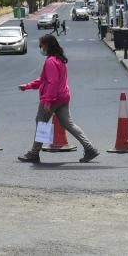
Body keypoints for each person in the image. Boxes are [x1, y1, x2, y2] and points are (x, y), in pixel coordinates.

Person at [17, 34, 99, 164]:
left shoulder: (50, 61)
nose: (40, 48)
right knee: (69, 124)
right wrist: (27, 86)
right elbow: (45, 80)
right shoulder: (59, 59)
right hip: (63, 96)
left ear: (48, 45)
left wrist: (48, 101)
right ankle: (89, 148)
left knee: (41, 123)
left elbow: (52, 82)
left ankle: (34, 153)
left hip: (53, 98)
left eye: (41, 45)